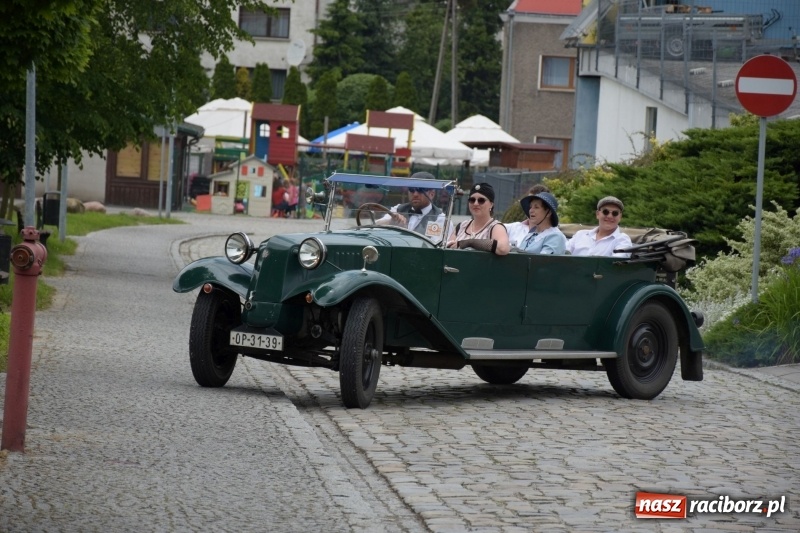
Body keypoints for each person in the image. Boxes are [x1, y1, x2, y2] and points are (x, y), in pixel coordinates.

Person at [377, 171, 446, 241]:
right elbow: (376, 226)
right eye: (411, 189)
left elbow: (435, 245)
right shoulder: (398, 209)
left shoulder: (440, 218)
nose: (415, 194)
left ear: (432, 194)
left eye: (420, 190)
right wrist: (390, 222)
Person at [446, 182, 510, 255]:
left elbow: (503, 248)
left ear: (491, 204)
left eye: (481, 200)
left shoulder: (496, 227)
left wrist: (469, 242)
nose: (476, 203)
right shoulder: (461, 226)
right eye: (472, 200)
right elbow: (448, 251)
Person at [566, 196, 632, 257]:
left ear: (620, 217)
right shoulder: (580, 235)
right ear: (597, 214)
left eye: (615, 213)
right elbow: (562, 254)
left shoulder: (622, 240)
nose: (610, 216)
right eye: (605, 212)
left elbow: (616, 265)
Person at [506, 184, 551, 248]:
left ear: (548, 211)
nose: (531, 210)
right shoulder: (513, 228)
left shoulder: (553, 235)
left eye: (536, 207)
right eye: (530, 205)